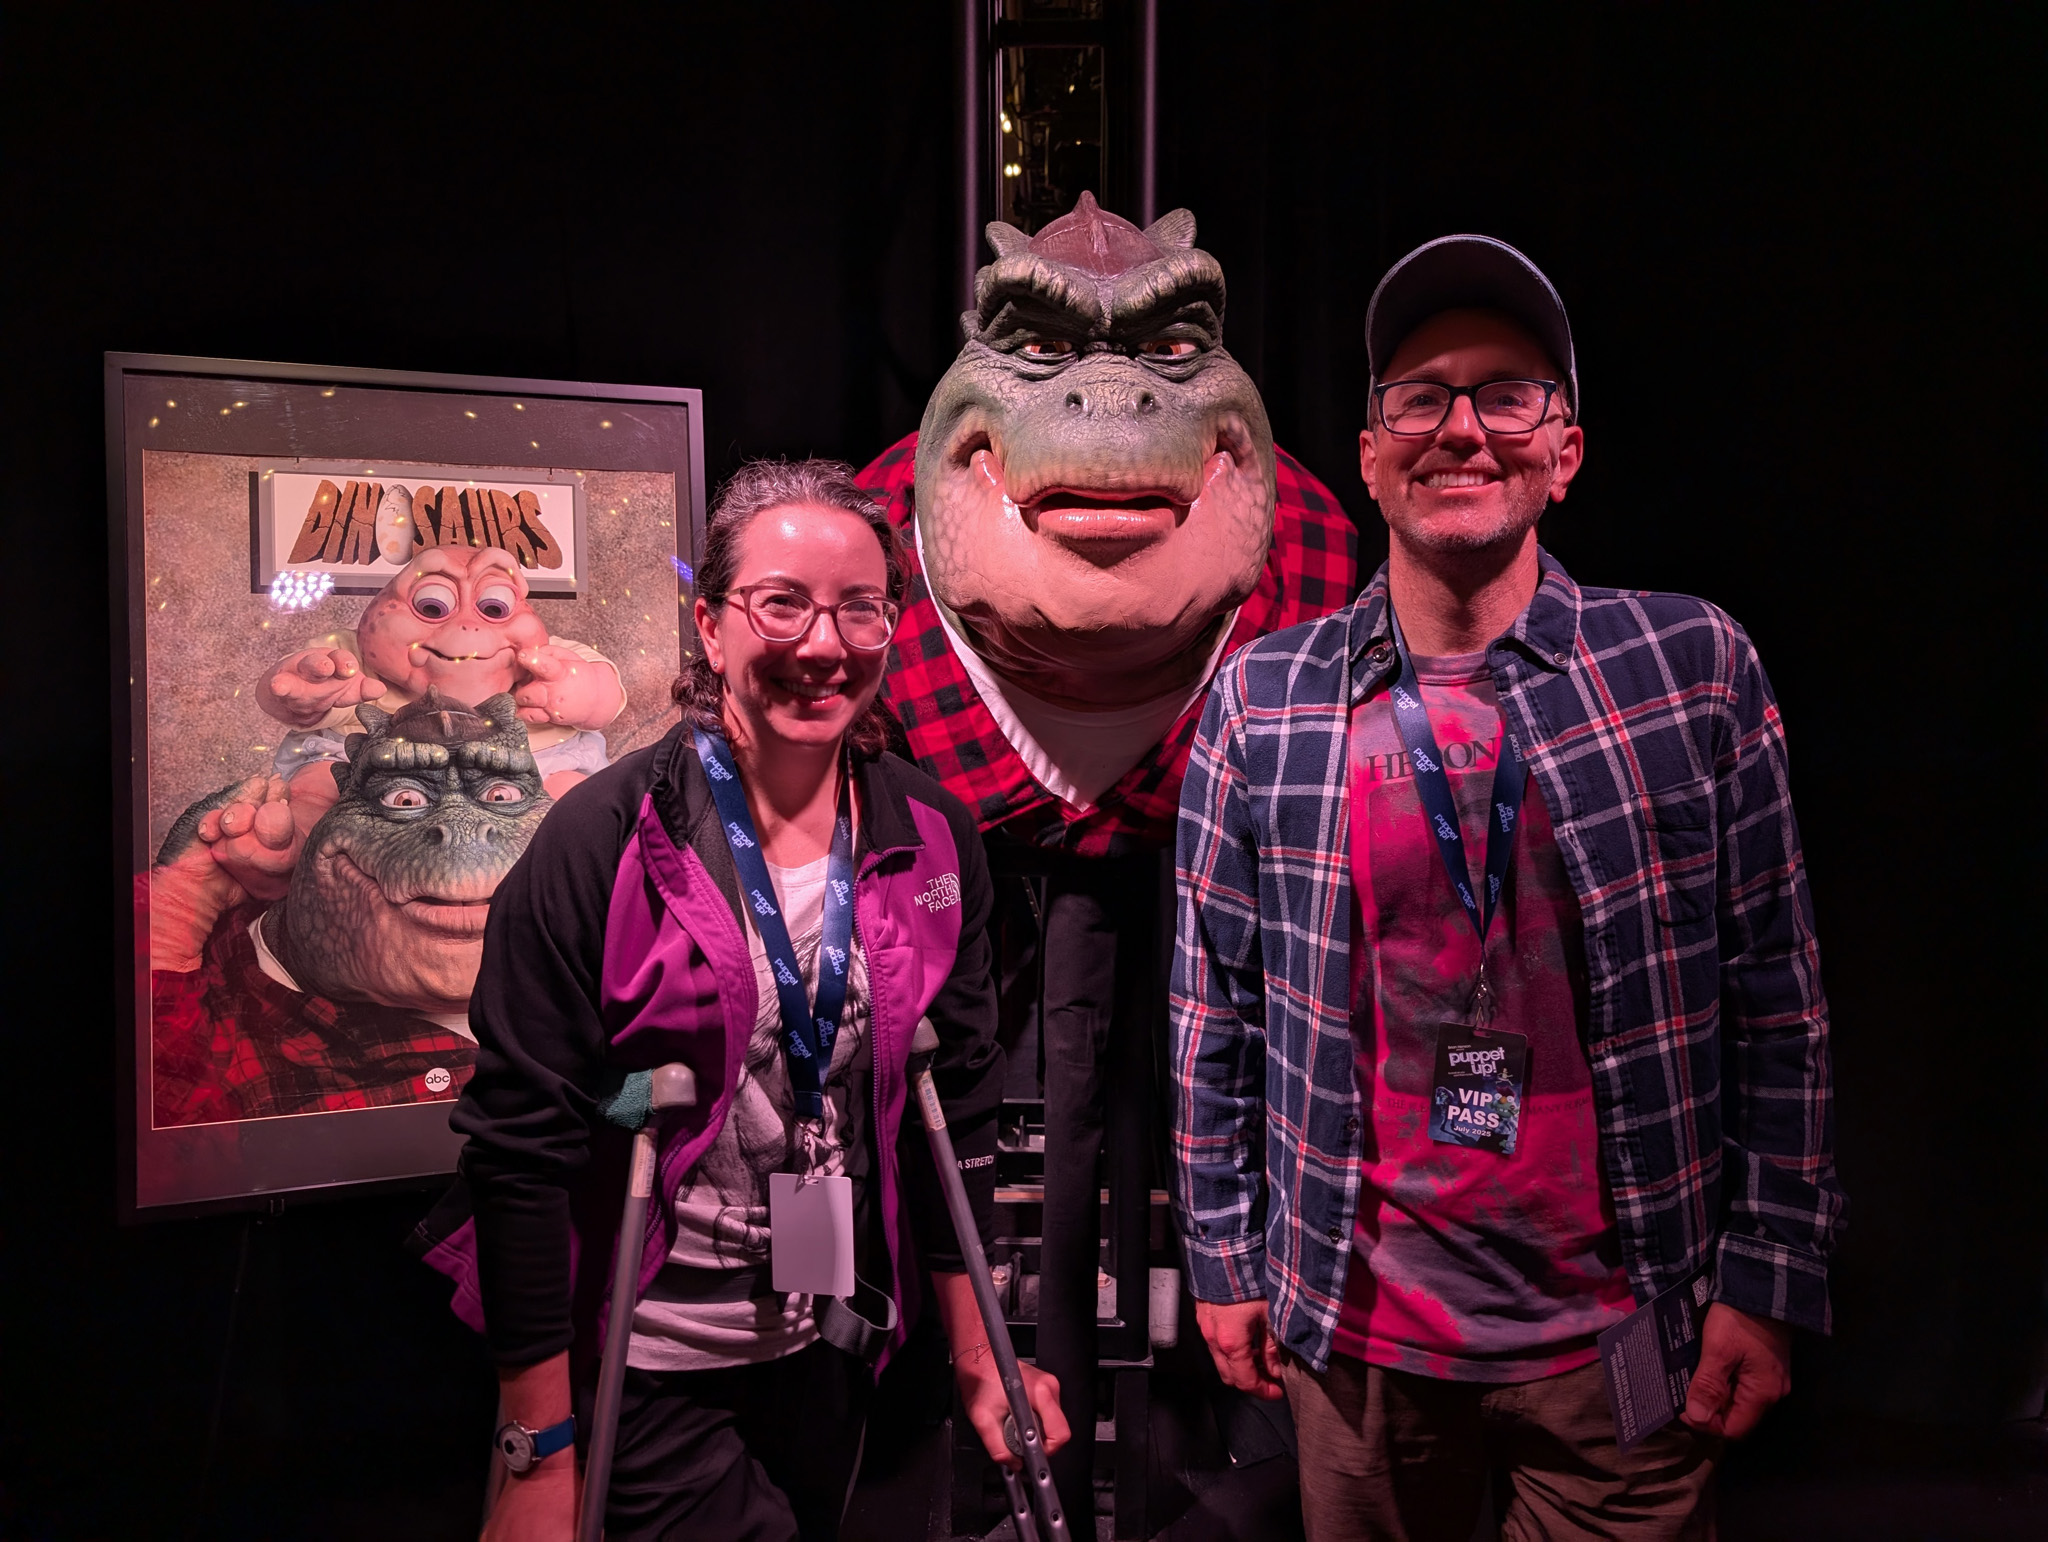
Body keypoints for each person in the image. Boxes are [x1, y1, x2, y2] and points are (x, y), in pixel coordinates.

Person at [1170, 236, 1841, 1540]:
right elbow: (1215, 1013)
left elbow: (1778, 999)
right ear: (1370, 457)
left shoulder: (1689, 667)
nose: (1461, 427)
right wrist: (1221, 1257)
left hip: (1624, 1331)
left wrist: (1769, 1272)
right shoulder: (1264, 699)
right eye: (1419, 396)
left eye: (1507, 394)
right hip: (1356, 1333)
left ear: (1564, 451)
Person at [444, 459, 1067, 1542]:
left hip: (839, 1342)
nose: (823, 645)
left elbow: (959, 1102)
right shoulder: (600, 841)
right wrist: (536, 1449)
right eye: (781, 603)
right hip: (646, 1360)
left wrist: (980, 1354)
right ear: (711, 625)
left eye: (860, 608)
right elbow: (520, 1148)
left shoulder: (931, 836)